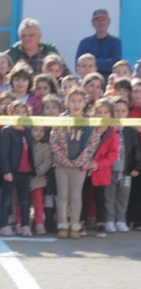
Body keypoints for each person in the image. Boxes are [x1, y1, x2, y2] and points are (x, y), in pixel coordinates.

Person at [50, 87, 101, 239]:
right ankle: (62, 224)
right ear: (67, 102)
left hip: (79, 166)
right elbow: (54, 141)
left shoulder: (90, 123)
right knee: (62, 195)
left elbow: (92, 144)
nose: (76, 104)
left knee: (76, 196)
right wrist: (63, 160)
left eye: (79, 101)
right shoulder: (60, 121)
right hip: (62, 165)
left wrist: (80, 160)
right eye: (73, 101)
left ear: (85, 103)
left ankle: (75, 224)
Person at [82, 98, 119, 238]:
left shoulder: (112, 132)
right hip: (85, 168)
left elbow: (113, 154)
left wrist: (98, 164)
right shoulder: (89, 129)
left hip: (101, 171)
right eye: (99, 112)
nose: (102, 116)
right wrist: (85, 161)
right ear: (94, 113)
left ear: (111, 116)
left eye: (105, 113)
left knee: (100, 198)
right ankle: (81, 222)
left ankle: (100, 223)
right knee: (83, 196)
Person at [0, 101, 35, 237]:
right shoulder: (7, 131)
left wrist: (33, 169)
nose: (20, 115)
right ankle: (4, 225)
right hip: (12, 171)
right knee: (6, 199)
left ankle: (25, 225)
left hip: (25, 171)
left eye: (23, 112)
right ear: (10, 113)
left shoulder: (27, 131)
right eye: (17, 112)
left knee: (25, 200)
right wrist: (6, 170)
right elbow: (3, 153)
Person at [105, 97, 137, 233]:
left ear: (127, 113)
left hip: (126, 169)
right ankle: (109, 220)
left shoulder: (131, 131)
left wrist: (136, 167)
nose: (119, 114)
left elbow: (136, 150)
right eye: (116, 111)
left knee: (123, 197)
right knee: (109, 196)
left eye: (123, 111)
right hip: (109, 169)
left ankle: (121, 220)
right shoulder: (107, 129)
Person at [6, 18, 70, 77]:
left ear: (39, 36)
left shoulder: (49, 51)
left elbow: (66, 75)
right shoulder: (12, 53)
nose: (27, 39)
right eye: (23, 36)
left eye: (31, 35)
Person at [75, 9, 122, 79]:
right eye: (98, 20)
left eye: (104, 20)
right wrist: (106, 62)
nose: (101, 23)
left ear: (109, 22)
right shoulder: (85, 43)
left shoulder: (115, 42)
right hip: (88, 81)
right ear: (92, 23)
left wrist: (90, 63)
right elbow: (78, 64)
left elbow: (115, 65)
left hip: (108, 81)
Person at [29, 125, 53, 235]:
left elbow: (47, 161)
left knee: (38, 203)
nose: (38, 133)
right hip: (25, 177)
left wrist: (39, 171)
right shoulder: (26, 143)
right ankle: (23, 222)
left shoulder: (45, 146)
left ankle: (39, 223)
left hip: (39, 179)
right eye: (35, 130)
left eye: (42, 130)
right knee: (23, 203)